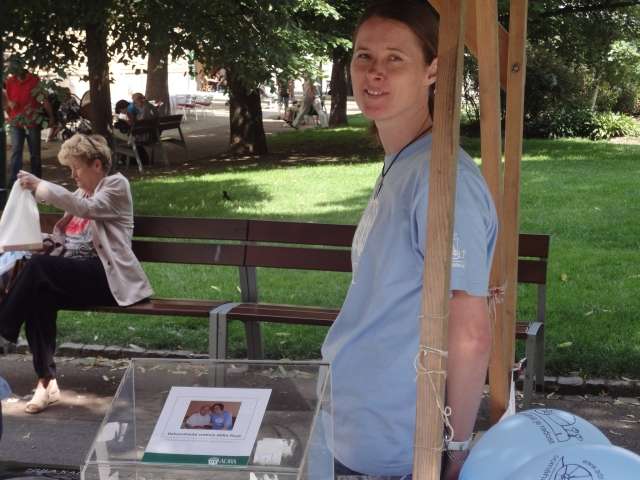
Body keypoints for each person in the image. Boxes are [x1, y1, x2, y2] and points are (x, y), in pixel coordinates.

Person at [320, 2, 498, 480]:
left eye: (395, 58)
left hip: (398, 447)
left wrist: (454, 453)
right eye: (364, 56)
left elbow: (470, 332)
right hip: (354, 424)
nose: (374, 72)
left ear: (432, 70)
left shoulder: (443, 179)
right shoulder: (406, 161)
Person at [0, 133, 153, 414]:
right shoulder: (81, 193)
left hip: (107, 278)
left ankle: (3, 330)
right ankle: (46, 383)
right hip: (78, 276)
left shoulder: (116, 186)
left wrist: (41, 185)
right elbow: (68, 236)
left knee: (38, 269)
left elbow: (87, 209)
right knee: (38, 294)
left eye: (76, 168)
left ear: (97, 165)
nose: (73, 176)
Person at [3, 57, 55, 187]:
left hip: (33, 122)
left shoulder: (34, 80)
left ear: (21, 67)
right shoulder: (10, 81)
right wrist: (9, 104)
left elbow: (44, 99)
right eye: (11, 69)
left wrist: (51, 117)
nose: (13, 72)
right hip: (16, 123)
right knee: (16, 152)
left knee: (35, 154)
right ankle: (14, 182)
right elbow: (7, 100)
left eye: (15, 68)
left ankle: (37, 181)